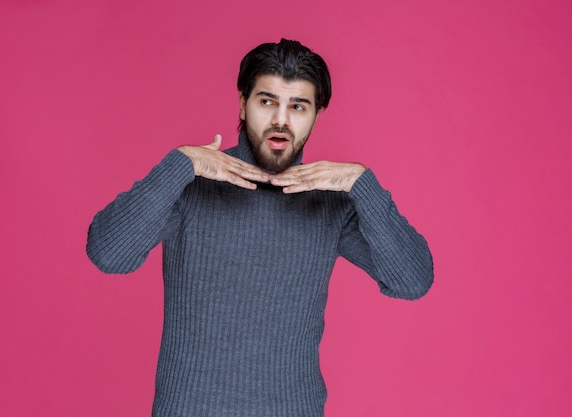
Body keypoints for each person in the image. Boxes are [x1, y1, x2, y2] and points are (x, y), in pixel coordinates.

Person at [87, 38, 433, 417]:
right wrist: (179, 165)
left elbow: (412, 281)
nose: (280, 120)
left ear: (317, 114)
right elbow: (108, 254)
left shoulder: (331, 202)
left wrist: (363, 185)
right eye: (267, 102)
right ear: (242, 103)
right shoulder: (191, 185)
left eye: (297, 106)